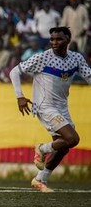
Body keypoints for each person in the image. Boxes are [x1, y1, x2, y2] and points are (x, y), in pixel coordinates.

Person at [9, 27, 91, 193]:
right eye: (52, 39)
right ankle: (42, 148)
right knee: (73, 139)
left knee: (64, 146)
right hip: (45, 106)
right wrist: (20, 96)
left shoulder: (76, 58)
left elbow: (89, 76)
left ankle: (40, 179)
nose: (54, 42)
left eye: (58, 39)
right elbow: (14, 71)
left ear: (68, 40)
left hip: (61, 107)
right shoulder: (43, 57)